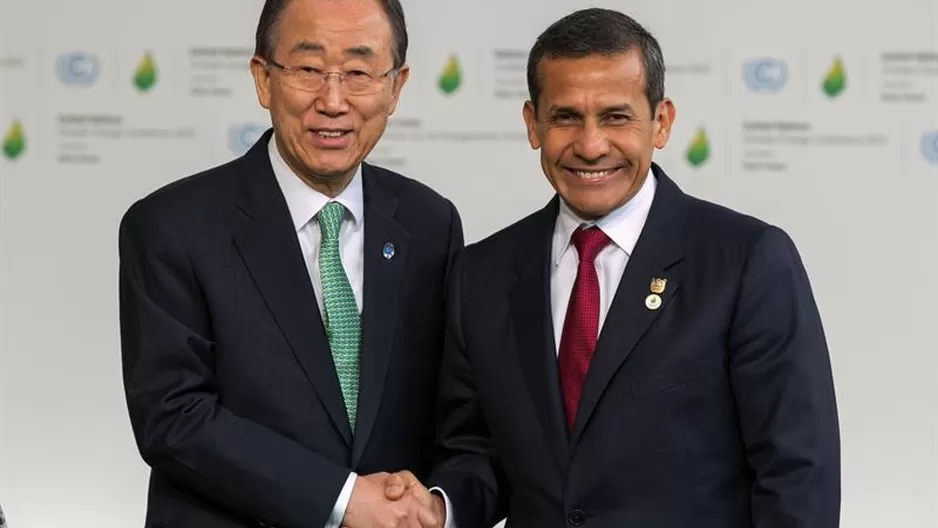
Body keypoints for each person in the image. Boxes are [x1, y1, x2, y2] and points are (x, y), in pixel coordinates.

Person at [386, 7, 841, 528]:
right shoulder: (480, 275)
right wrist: (442, 507)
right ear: (532, 124)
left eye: (616, 116)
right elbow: (476, 451)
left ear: (662, 122)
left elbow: (797, 477)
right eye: (565, 117)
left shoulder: (747, 262)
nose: (591, 144)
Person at [117, 0, 463, 526]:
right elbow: (174, 419)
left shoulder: (431, 223)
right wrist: (344, 499)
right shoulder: (171, 226)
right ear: (263, 79)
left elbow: (456, 411)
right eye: (307, 69)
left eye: (359, 71)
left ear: (396, 86)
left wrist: (435, 503)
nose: (333, 100)